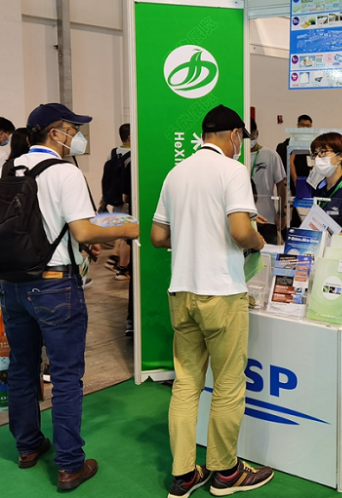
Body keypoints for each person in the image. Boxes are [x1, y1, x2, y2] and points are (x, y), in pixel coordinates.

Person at [0, 103, 140, 491]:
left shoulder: (12, 167)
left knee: (23, 368)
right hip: (54, 287)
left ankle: (28, 446)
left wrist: (80, 242)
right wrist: (126, 229)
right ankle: (70, 465)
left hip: (13, 284)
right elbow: (84, 230)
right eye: (73, 129)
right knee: (65, 376)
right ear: (56, 132)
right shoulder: (64, 172)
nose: (78, 137)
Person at [151, 105, 273, 498]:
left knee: (186, 384)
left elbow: (157, 236)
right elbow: (240, 231)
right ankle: (226, 471)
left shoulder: (176, 173)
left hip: (182, 291)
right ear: (234, 135)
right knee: (228, 385)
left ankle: (184, 474)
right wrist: (258, 240)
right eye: (241, 139)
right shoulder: (232, 171)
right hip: (221, 293)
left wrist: (194, 234)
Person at [103, 124, 133, 280]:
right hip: (127, 201)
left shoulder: (113, 153)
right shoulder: (133, 156)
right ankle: (122, 269)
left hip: (114, 200)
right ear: (130, 137)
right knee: (127, 237)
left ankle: (114, 259)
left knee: (121, 233)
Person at [250, 118, 286, 245]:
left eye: (252, 136)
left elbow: (281, 185)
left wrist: (281, 213)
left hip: (267, 219)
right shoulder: (237, 157)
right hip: (244, 218)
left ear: (257, 134)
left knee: (269, 254)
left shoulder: (271, 155)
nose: (249, 140)